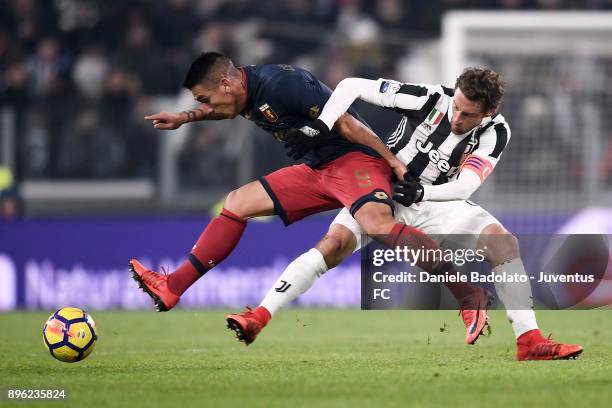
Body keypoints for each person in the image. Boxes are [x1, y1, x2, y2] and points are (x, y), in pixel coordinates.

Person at [226, 68, 584, 361]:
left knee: (503, 243)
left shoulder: (496, 132)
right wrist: (324, 124)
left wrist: (424, 192)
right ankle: (259, 316)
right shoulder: (429, 98)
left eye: (467, 114)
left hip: (435, 200)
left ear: (488, 113)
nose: (457, 117)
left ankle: (530, 341)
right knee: (332, 245)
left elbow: (466, 187)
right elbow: (351, 85)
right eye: (456, 107)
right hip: (379, 187)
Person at [130, 52, 489, 341]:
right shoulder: (242, 93)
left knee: (377, 224)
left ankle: (467, 293)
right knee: (237, 202)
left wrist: (391, 162)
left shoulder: (283, 83)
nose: (206, 105)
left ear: (226, 83)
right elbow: (218, 108)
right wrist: (185, 117)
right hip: (316, 169)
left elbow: (349, 123)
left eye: (204, 98)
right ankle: (173, 287)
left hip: (353, 159)